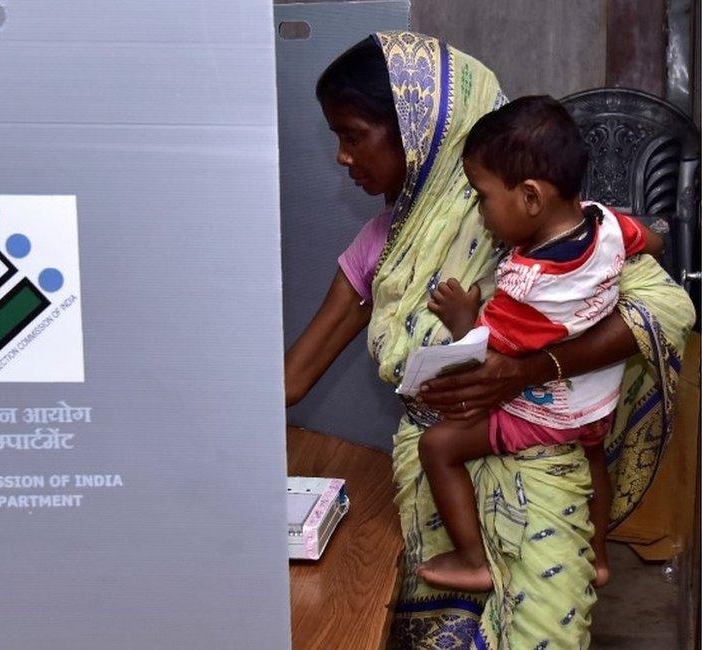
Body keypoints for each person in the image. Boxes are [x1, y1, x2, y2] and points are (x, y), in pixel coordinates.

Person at [285, 31, 694, 648]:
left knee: (543, 629)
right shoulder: (383, 247)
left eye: (351, 135)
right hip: (438, 482)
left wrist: (529, 370)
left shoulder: (531, 220)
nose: (342, 157)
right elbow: (291, 380)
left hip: (541, 471)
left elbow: (667, 310)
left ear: (419, 133)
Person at [415, 95, 664, 595]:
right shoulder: (606, 224)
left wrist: (465, 317)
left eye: (481, 196)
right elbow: (652, 242)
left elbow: (492, 358)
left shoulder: (528, 287)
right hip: (598, 401)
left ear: (530, 197)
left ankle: (473, 560)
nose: (479, 212)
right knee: (595, 462)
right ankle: (596, 559)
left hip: (548, 410)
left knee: (437, 445)